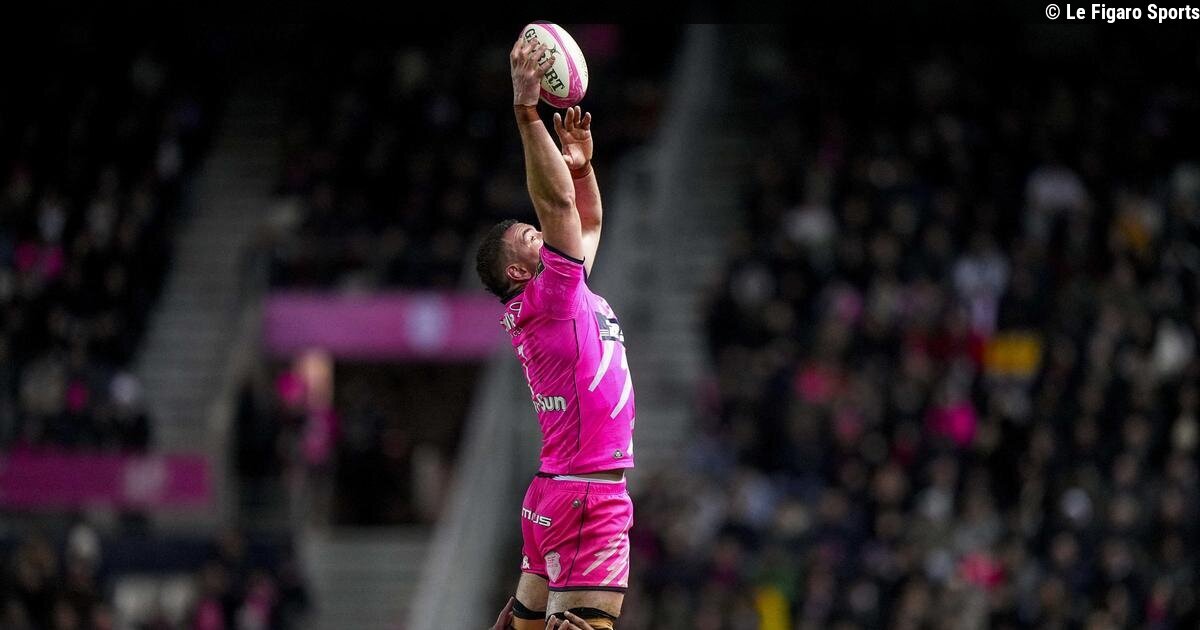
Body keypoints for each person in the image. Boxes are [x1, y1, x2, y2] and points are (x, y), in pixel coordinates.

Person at [474, 34, 637, 630]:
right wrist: (527, 112)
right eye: (530, 235)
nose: (541, 232)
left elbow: (585, 222)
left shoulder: (558, 300)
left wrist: (583, 168)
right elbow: (563, 210)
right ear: (519, 272)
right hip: (588, 495)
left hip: (557, 489)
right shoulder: (550, 295)